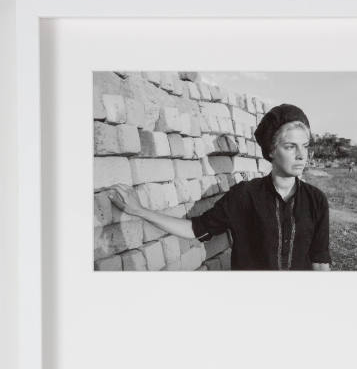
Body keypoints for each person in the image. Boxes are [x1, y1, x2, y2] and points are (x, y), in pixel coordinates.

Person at [108, 103, 331, 270]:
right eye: (291, 146)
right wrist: (138, 210)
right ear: (271, 151)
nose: (302, 155)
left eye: (305, 146)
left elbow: (320, 262)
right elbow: (195, 229)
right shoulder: (245, 196)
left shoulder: (316, 200)